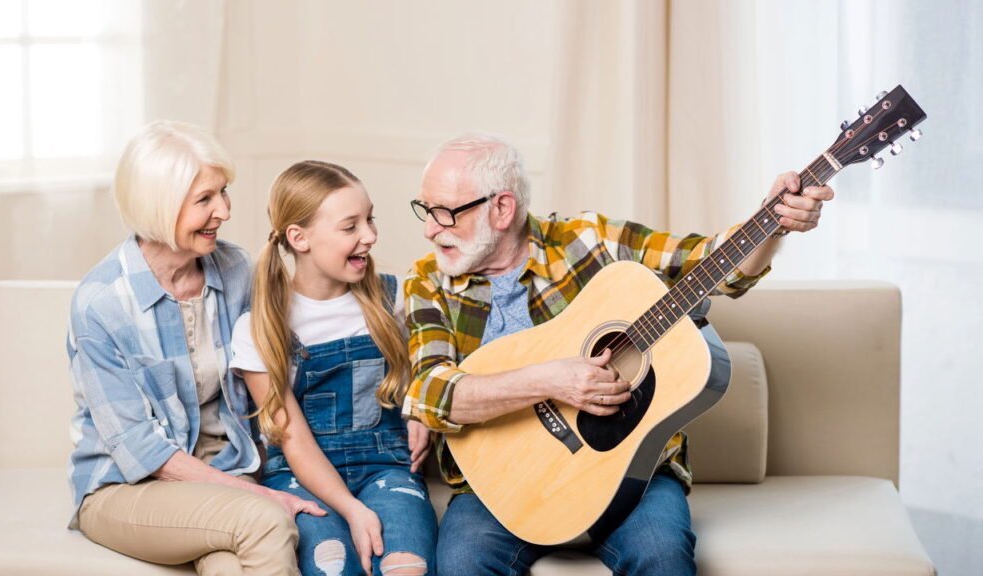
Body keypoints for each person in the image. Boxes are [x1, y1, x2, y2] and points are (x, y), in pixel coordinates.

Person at [403, 133, 834, 575]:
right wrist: (551, 380)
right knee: (461, 564)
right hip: (499, 488)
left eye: (444, 213)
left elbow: (711, 264)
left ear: (502, 209)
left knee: (661, 556)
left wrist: (771, 221)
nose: (429, 228)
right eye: (426, 210)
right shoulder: (427, 283)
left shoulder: (590, 241)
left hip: (633, 475)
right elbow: (430, 395)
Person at [67, 120, 323, 576]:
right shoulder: (101, 303)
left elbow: (278, 372)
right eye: (204, 199)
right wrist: (260, 495)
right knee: (266, 523)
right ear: (158, 206)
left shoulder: (236, 268)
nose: (224, 210)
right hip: (126, 488)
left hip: (223, 471)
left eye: (223, 193)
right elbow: (141, 450)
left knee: (231, 566)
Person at [231, 160, 437, 576]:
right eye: (350, 227)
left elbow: (433, 370)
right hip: (301, 477)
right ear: (299, 238)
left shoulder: (395, 300)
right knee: (333, 564)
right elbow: (294, 443)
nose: (370, 236)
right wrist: (352, 509)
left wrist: (423, 412)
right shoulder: (259, 329)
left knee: (406, 566)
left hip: (387, 467)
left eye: (370, 219)